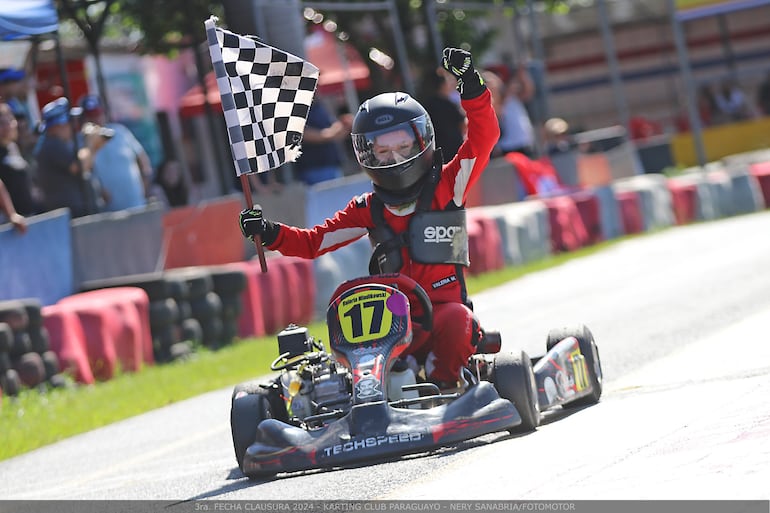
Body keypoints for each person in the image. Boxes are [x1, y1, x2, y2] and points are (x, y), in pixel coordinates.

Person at [239, 47, 500, 391]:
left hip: (442, 318)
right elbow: (313, 243)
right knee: (352, 329)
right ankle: (368, 392)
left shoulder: (449, 186)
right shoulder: (368, 208)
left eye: (403, 146)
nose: (394, 158)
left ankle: (444, 386)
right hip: (390, 323)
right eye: (382, 150)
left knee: (456, 318)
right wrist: (268, 232)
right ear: (367, 153)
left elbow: (484, 137)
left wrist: (471, 85)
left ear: (421, 142)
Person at [78, 94, 153, 211]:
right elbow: (85, 172)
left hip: (136, 202)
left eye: (98, 114)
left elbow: (142, 159)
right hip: (110, 209)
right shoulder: (82, 142)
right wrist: (98, 191)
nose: (96, 119)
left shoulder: (120, 132)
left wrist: (145, 185)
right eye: (91, 116)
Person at [34, 97, 101, 218]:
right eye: (69, 122)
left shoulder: (57, 143)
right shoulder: (52, 144)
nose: (73, 125)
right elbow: (79, 167)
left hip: (75, 210)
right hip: (70, 213)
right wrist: (91, 144)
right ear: (58, 125)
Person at [292, 100, 352, 185]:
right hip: (313, 168)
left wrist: (342, 126)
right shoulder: (295, 107)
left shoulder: (318, 105)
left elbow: (332, 129)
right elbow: (298, 133)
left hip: (332, 165)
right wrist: (330, 133)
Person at [0, 102, 39, 216]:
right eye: (2, 123)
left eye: (10, 120)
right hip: (8, 222)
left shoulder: (13, 147)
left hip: (30, 216)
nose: (8, 126)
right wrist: (11, 214)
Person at [420, 67, 466, 163]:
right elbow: (463, 125)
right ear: (442, 85)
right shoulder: (449, 104)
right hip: (454, 151)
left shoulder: (426, 106)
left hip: (438, 153)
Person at [496, 62, 536, 157]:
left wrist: (522, 74)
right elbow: (498, 111)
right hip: (509, 146)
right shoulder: (498, 100)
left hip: (525, 142)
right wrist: (508, 91)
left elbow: (529, 92)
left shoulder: (515, 98)